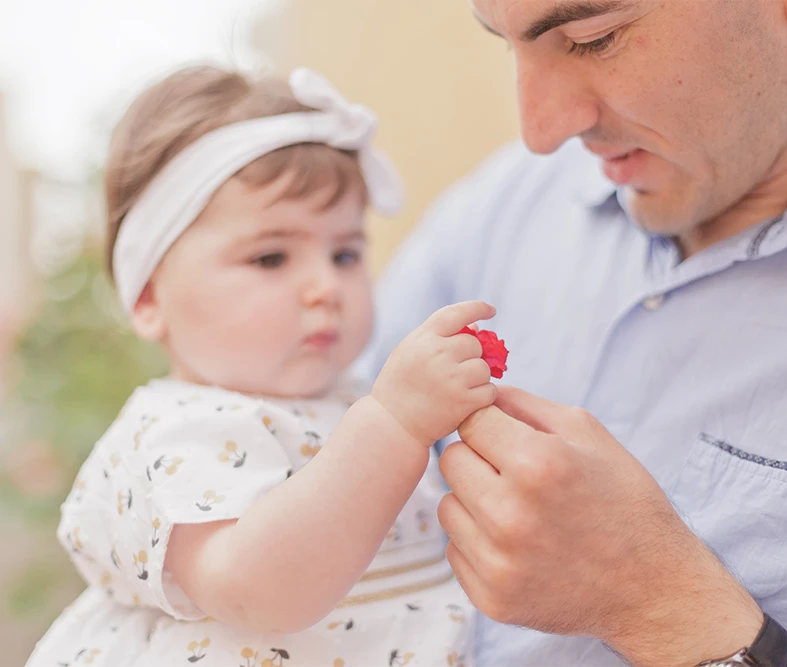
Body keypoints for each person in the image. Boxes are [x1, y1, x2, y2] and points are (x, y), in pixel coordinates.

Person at [359, 1, 787, 666]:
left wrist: (667, 609)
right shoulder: (506, 205)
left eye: (595, 39)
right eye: (509, 47)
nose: (541, 130)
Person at [25, 64, 499, 667]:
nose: (326, 285)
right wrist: (396, 426)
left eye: (345, 252)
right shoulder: (171, 437)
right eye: (272, 257)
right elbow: (260, 593)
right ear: (148, 297)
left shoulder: (353, 405)